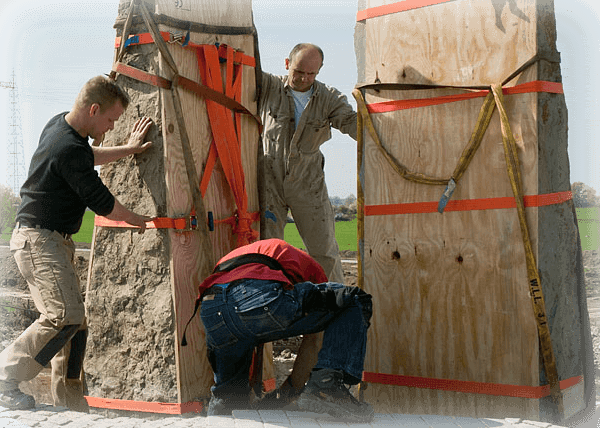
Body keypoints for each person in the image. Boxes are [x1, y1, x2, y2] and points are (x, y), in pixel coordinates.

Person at [0, 75, 154, 411]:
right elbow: (104, 202)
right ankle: (4, 377)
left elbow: (88, 156)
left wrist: (129, 148)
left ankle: (70, 403)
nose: (112, 126)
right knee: (64, 315)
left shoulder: (63, 127)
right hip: (39, 240)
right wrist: (140, 219)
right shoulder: (67, 146)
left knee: (75, 325)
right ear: (94, 109)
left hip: (51, 240)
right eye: (111, 119)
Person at [198, 238, 374, 422]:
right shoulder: (310, 266)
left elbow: (236, 308)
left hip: (212, 307)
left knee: (230, 397)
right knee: (352, 300)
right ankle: (327, 386)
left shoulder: (244, 254)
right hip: (254, 294)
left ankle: (221, 412)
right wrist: (290, 392)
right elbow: (314, 341)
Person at [258, 43, 356, 285]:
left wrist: (377, 120)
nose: (304, 78)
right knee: (266, 251)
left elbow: (353, 124)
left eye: (311, 74)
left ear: (319, 71)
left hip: (308, 185)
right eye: (298, 72)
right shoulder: (267, 86)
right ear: (287, 64)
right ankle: (271, 303)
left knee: (324, 252)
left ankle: (335, 305)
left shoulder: (328, 98)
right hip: (269, 183)